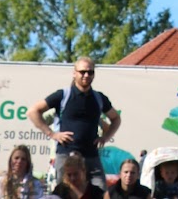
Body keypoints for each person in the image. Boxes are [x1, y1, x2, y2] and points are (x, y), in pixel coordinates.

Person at [29, 57, 122, 189]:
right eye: (82, 72)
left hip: (91, 156)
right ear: (74, 73)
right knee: (64, 193)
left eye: (90, 72)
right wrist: (52, 134)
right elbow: (33, 112)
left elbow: (116, 119)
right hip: (66, 154)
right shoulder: (63, 95)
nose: (86, 75)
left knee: (100, 191)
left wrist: (106, 137)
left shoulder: (99, 98)